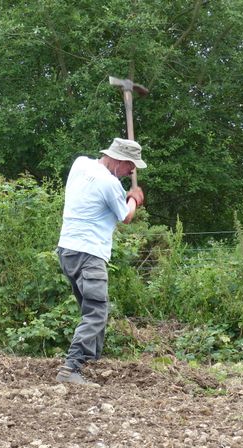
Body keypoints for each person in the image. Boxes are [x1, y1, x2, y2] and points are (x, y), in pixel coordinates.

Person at [55, 137, 146, 385]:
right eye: (130, 165)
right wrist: (134, 199)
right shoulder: (110, 183)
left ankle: (91, 362)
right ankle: (71, 368)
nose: (132, 171)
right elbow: (126, 217)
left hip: (67, 250)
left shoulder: (80, 164)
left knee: (90, 309)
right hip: (90, 254)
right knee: (96, 313)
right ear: (118, 160)